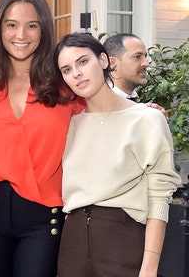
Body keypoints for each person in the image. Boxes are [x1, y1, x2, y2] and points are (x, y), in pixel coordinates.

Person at [0, 0, 85, 277]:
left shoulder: (64, 81)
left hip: (43, 214)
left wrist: (137, 111)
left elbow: (101, 114)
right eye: (11, 25)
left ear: (44, 30)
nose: (21, 35)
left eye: (32, 25)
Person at [54, 32, 181, 276]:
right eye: (66, 69)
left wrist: (150, 267)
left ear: (104, 61)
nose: (76, 73)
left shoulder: (148, 120)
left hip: (124, 242)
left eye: (82, 62)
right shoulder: (68, 125)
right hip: (72, 244)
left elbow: (159, 199)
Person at [103, 33, 150, 100]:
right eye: (137, 57)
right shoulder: (100, 104)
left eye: (145, 56)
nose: (146, 63)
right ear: (112, 63)